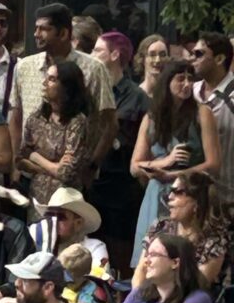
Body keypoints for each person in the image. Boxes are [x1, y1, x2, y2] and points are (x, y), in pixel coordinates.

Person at [130, 59, 220, 266]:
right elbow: (134, 166)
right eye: (180, 79)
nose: (187, 84)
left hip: (190, 192)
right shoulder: (151, 117)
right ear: (167, 82)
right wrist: (163, 162)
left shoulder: (202, 113)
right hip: (156, 193)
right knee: (151, 258)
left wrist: (176, 174)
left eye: (190, 79)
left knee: (183, 257)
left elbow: (214, 163)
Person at [9, 3, 115, 177]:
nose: (36, 34)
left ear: (64, 33)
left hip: (74, 177)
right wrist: (15, 163)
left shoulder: (93, 69)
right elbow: (16, 117)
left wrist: (93, 166)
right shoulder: (24, 67)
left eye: (44, 29)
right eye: (36, 28)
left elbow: (109, 123)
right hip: (29, 173)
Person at [88, 31, 148, 274]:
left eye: (97, 50)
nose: (91, 55)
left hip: (121, 189)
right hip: (92, 184)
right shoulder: (89, 92)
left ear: (114, 55)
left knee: (120, 256)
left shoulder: (137, 98)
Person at [132, 170, 228, 289]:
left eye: (177, 192)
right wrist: (136, 298)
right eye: (170, 191)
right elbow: (140, 271)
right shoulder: (160, 226)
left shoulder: (214, 239)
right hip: (153, 295)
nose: (170, 197)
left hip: (191, 299)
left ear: (197, 202)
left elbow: (198, 286)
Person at [18, 59, 93, 205]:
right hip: (37, 198)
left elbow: (66, 173)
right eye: (46, 78)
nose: (44, 83)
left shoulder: (77, 122)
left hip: (65, 201)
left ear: (66, 87)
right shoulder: (37, 118)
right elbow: (20, 159)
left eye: (52, 79)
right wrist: (54, 167)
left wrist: (34, 156)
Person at [190, 32, 234, 207]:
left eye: (199, 54)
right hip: (192, 198)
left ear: (219, 59)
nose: (193, 59)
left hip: (228, 199)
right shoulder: (190, 92)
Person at [29, 186, 112, 276]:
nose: (53, 221)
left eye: (60, 217)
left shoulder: (95, 248)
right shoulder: (35, 242)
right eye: (49, 216)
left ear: (78, 223)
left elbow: (99, 278)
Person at [134, 34, 168, 100]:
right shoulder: (134, 96)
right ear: (143, 59)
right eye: (152, 55)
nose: (158, 60)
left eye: (162, 55)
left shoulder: (172, 95)